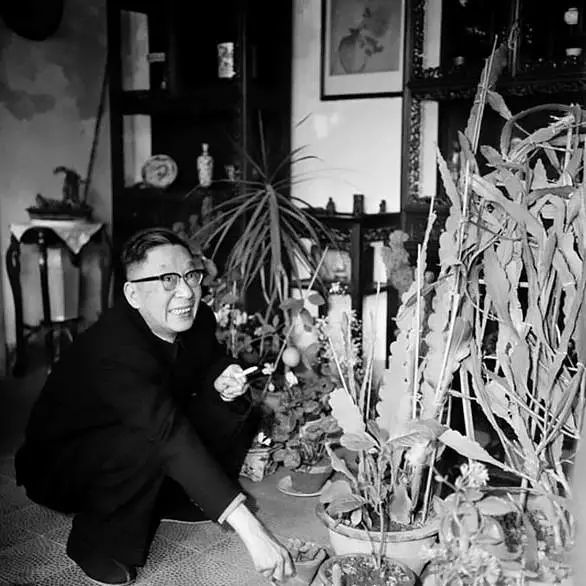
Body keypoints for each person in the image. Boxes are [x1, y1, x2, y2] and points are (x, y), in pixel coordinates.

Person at [15, 227, 294, 585]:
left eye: (190, 275)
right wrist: (253, 532)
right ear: (132, 293)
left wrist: (224, 377)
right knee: (150, 438)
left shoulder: (197, 318)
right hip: (62, 466)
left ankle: (176, 498)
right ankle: (94, 542)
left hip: (140, 434)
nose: (186, 292)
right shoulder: (113, 347)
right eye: (167, 279)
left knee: (232, 403)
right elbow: (165, 432)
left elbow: (211, 361)